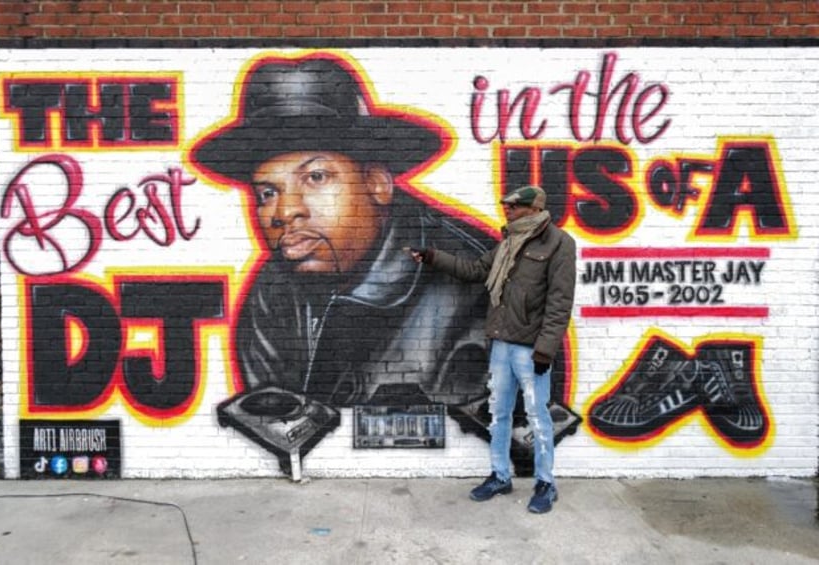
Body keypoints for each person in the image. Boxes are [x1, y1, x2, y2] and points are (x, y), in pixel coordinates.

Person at [188, 55, 495, 467]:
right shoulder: (274, 288)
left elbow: (465, 441)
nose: (284, 212)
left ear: (377, 184)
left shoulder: (472, 283)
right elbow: (276, 427)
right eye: (267, 192)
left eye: (315, 177)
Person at [410, 184, 576, 514]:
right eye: (507, 205)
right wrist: (432, 257)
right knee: (498, 414)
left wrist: (545, 349)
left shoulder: (559, 244)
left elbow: (560, 302)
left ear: (533, 208)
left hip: (532, 350)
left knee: (537, 416)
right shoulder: (508, 243)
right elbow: (474, 270)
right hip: (501, 343)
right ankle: (500, 475)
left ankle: (545, 483)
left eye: (514, 206)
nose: (507, 210)